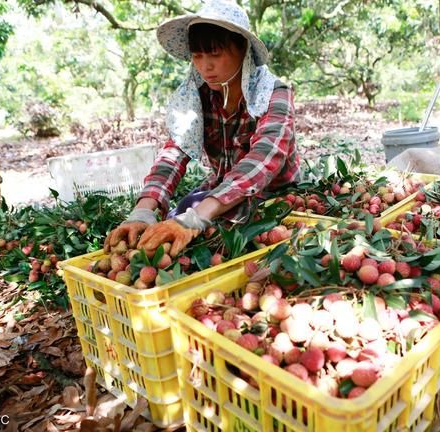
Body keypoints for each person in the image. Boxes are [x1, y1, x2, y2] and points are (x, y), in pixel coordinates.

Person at [104, 0, 300, 258]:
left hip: (273, 198)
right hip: (220, 194)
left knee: (213, 227)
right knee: (180, 215)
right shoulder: (199, 97)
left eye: (215, 54)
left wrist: (197, 218)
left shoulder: (273, 94)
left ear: (243, 50)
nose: (205, 66)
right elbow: (175, 151)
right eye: (197, 56)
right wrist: (144, 208)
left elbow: (263, 159)